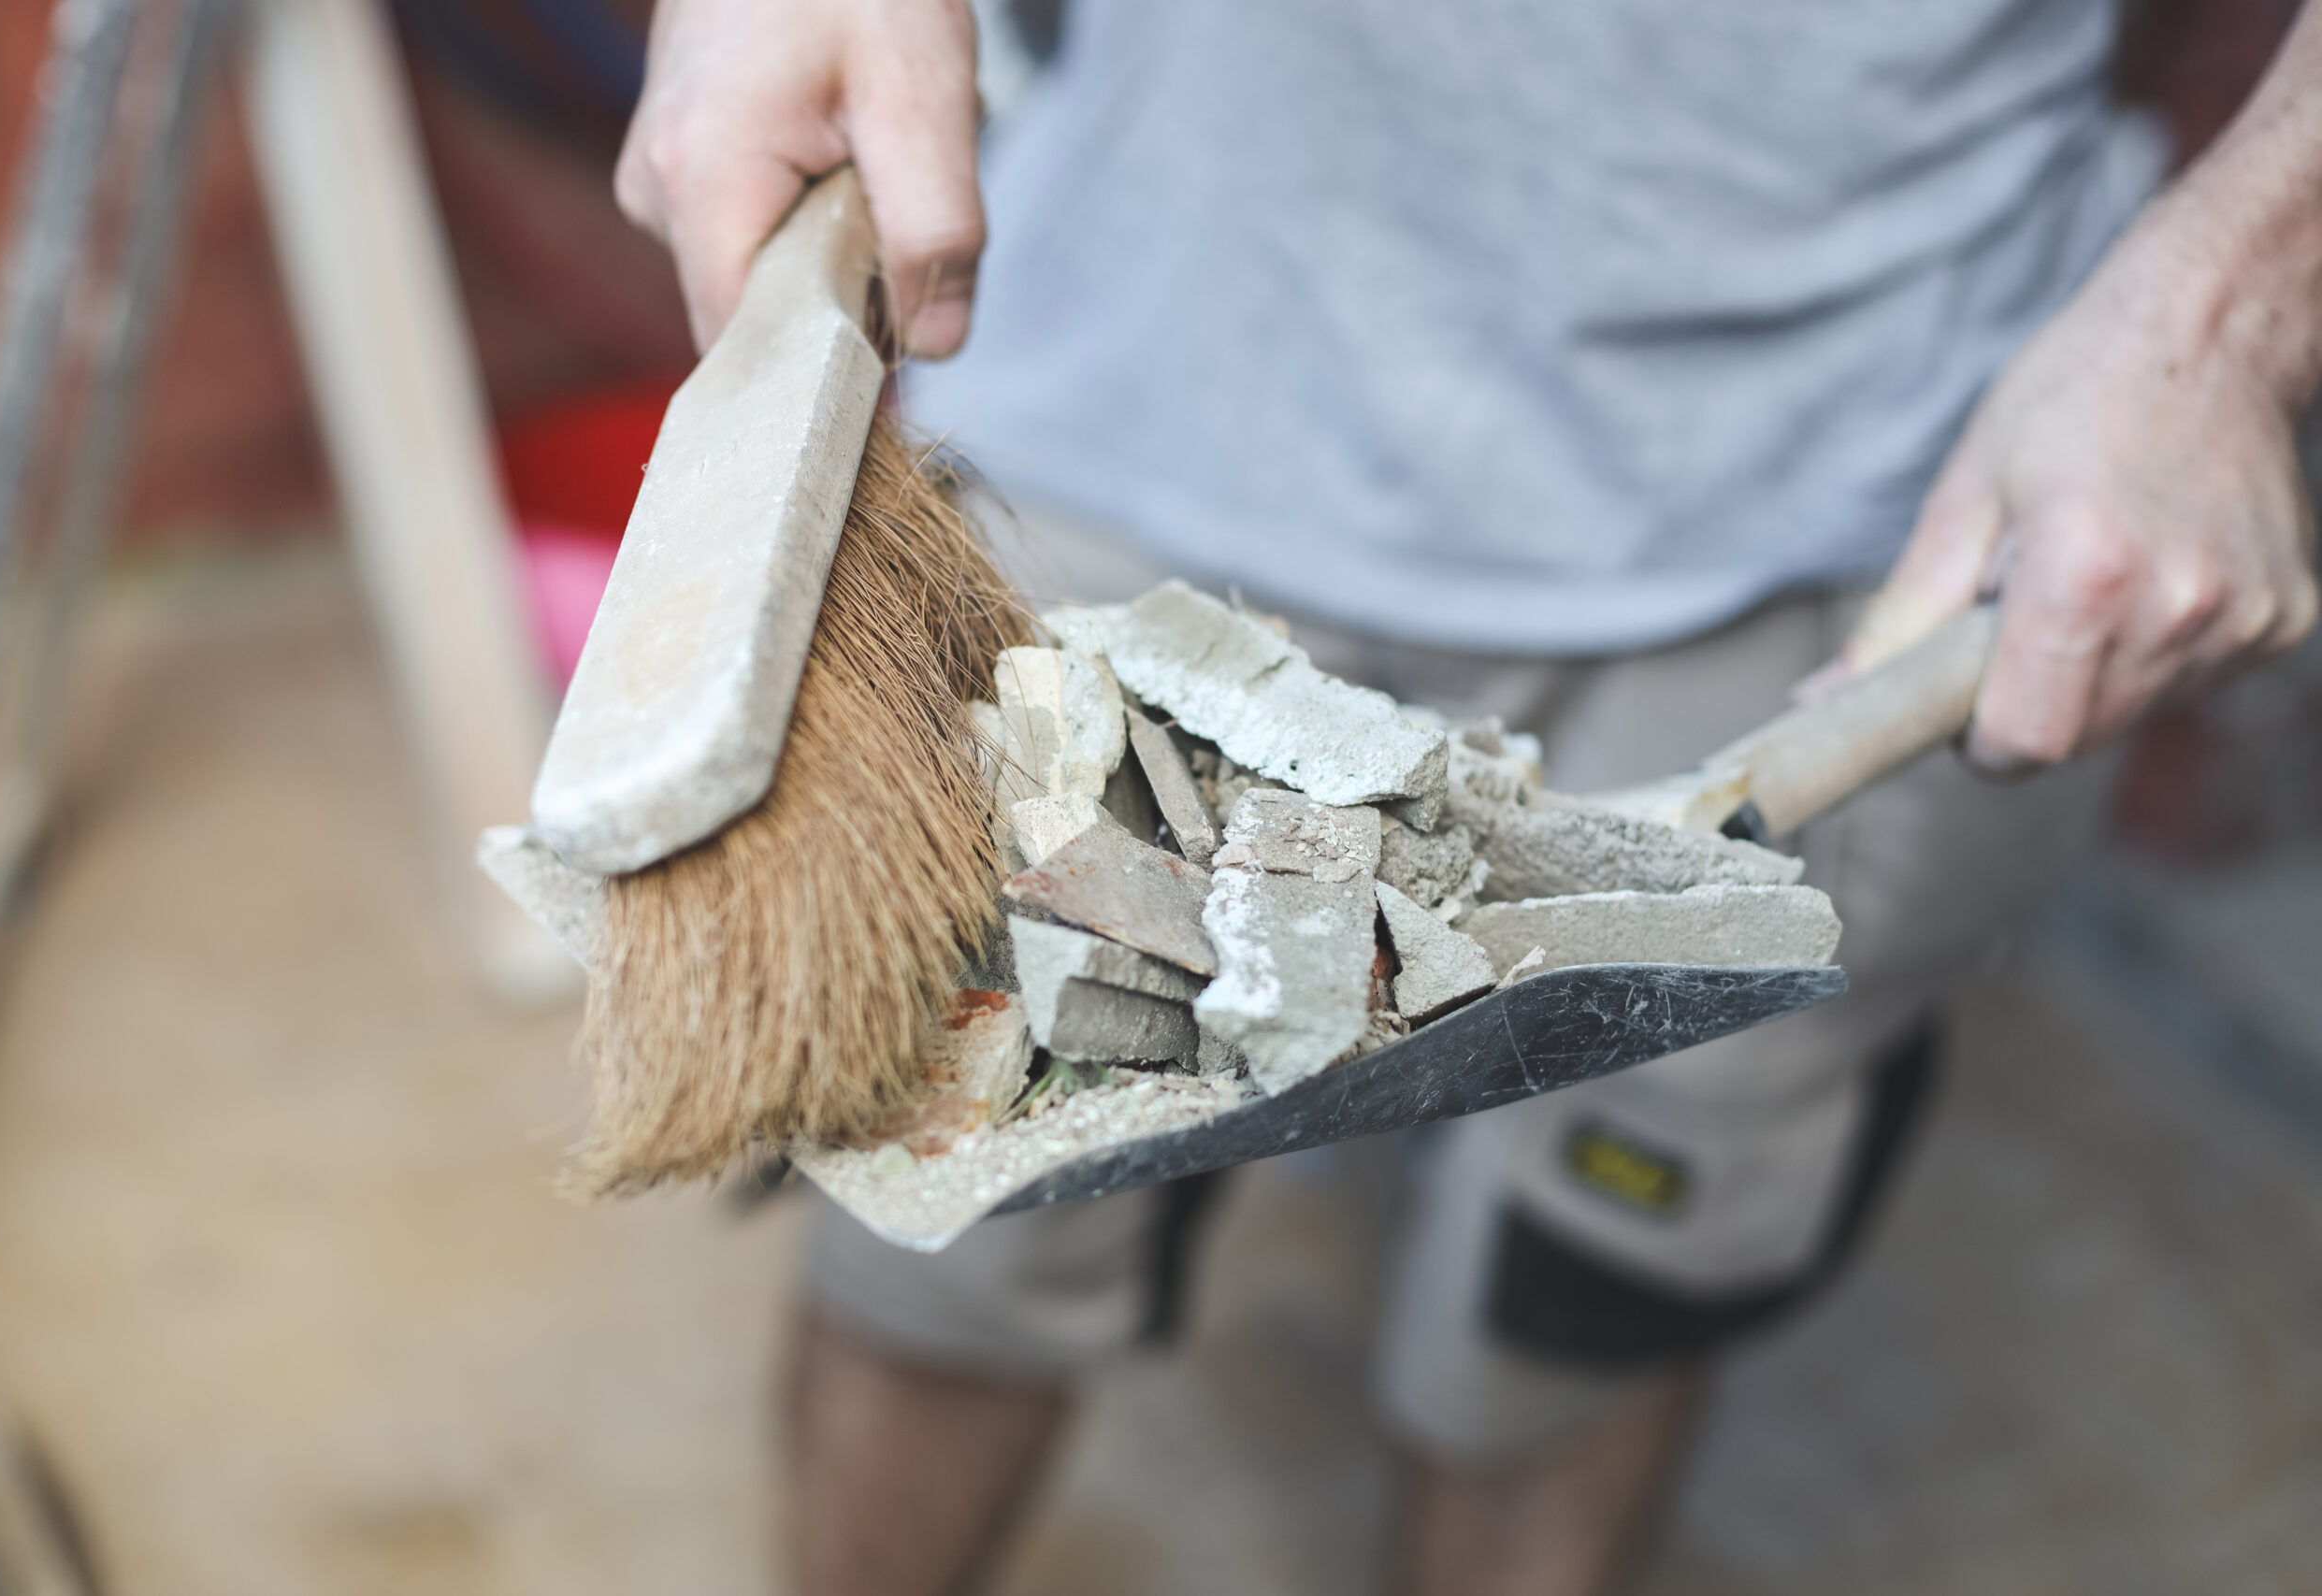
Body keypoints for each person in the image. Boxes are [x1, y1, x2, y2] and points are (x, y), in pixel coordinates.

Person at [612, 2, 2320, 1591]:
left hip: (1841, 521)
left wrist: (2233, 306)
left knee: (1581, 1303)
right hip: (1129, 399)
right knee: (943, 1247)